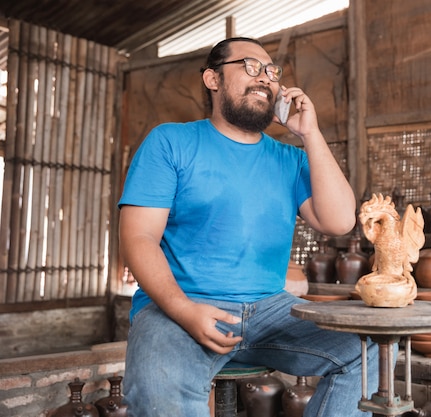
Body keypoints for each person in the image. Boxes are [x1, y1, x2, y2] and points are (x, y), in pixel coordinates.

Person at [118, 37, 379, 416]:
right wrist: (185, 310)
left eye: (272, 72)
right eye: (250, 66)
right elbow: (138, 238)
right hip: (179, 305)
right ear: (213, 79)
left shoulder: (290, 159)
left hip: (270, 311)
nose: (265, 79)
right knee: (158, 389)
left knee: (365, 352)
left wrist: (310, 134)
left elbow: (338, 221)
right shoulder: (171, 142)